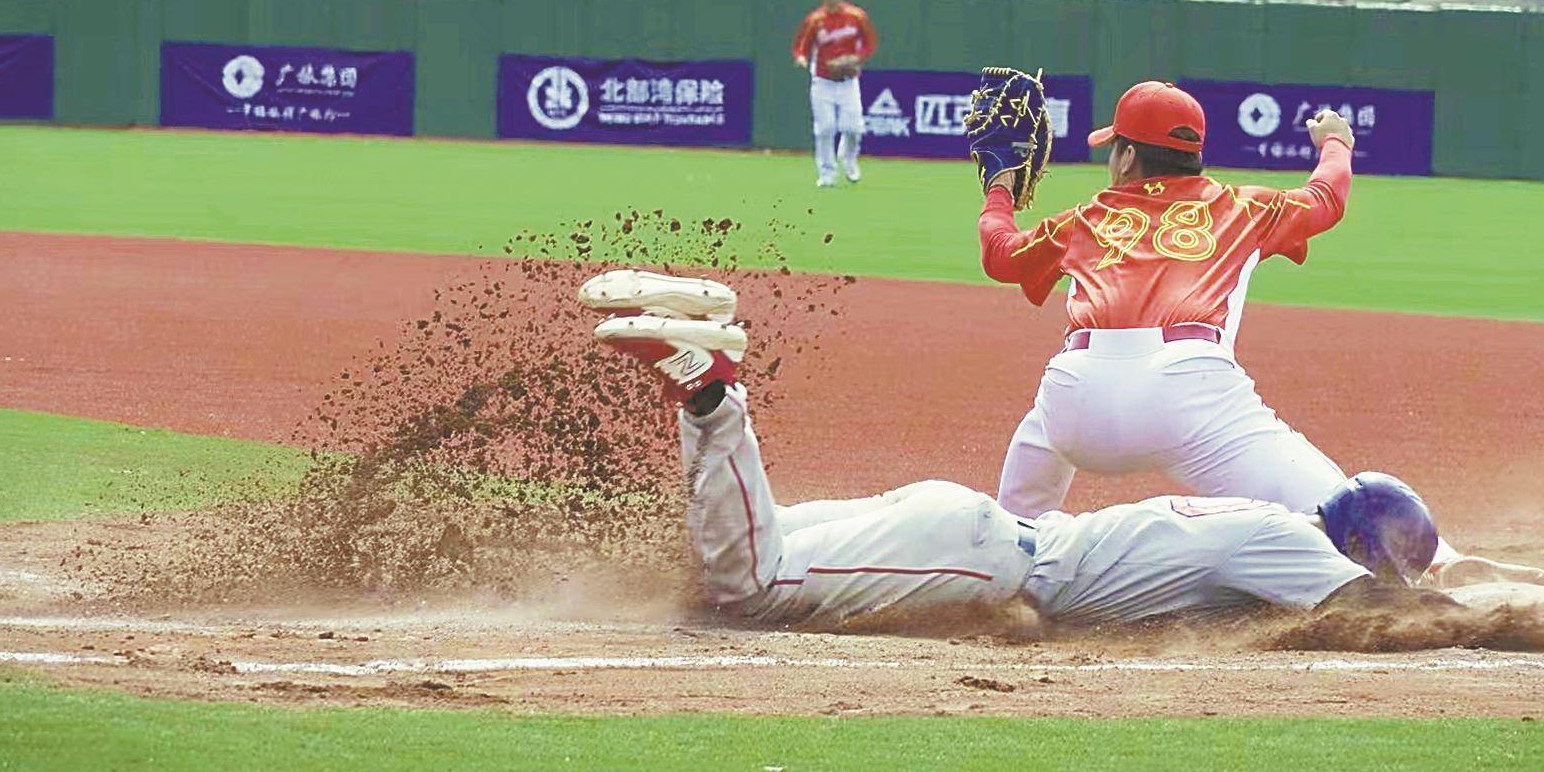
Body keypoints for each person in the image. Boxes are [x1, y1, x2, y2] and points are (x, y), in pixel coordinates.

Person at [577, 268, 1465, 631]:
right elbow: (1386, 616)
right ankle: (709, 389)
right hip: (983, 559)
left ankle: (704, 343)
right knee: (748, 588)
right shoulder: (1292, 546)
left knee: (738, 556)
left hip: (970, 530)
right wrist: (1526, 618)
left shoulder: (1266, 527)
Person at [977, 81, 1544, 589]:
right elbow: (1327, 198)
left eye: (1114, 148)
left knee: (1029, 481)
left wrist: (999, 188)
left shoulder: (1084, 219)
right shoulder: (1245, 207)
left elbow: (1001, 255)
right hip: (1188, 397)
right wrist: (1336, 140)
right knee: (1332, 499)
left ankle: (1002, 561)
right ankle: (1441, 568)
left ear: (1127, 158)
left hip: (1073, 399)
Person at [790, 0, 877, 188]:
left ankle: (848, 158)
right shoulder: (815, 19)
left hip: (848, 82)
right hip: (823, 82)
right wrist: (801, 58)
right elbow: (800, 46)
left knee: (854, 128)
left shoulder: (856, 17)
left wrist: (854, 59)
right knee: (825, 128)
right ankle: (827, 173)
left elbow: (870, 43)